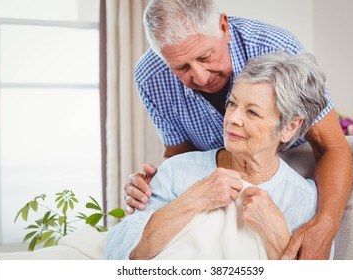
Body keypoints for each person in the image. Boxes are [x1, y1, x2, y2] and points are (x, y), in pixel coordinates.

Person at [124, 0, 353, 260]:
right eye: (181, 67)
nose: (199, 78)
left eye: (204, 57)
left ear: (223, 26)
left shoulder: (276, 48)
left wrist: (326, 222)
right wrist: (158, 184)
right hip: (212, 179)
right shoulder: (151, 76)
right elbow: (178, 155)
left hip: (274, 169)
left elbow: (331, 146)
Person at [106, 52, 328, 260]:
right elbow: (122, 254)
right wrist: (196, 197)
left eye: (252, 112)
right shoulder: (176, 170)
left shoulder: (304, 199)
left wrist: (277, 236)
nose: (232, 118)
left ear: (289, 127)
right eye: (232, 104)